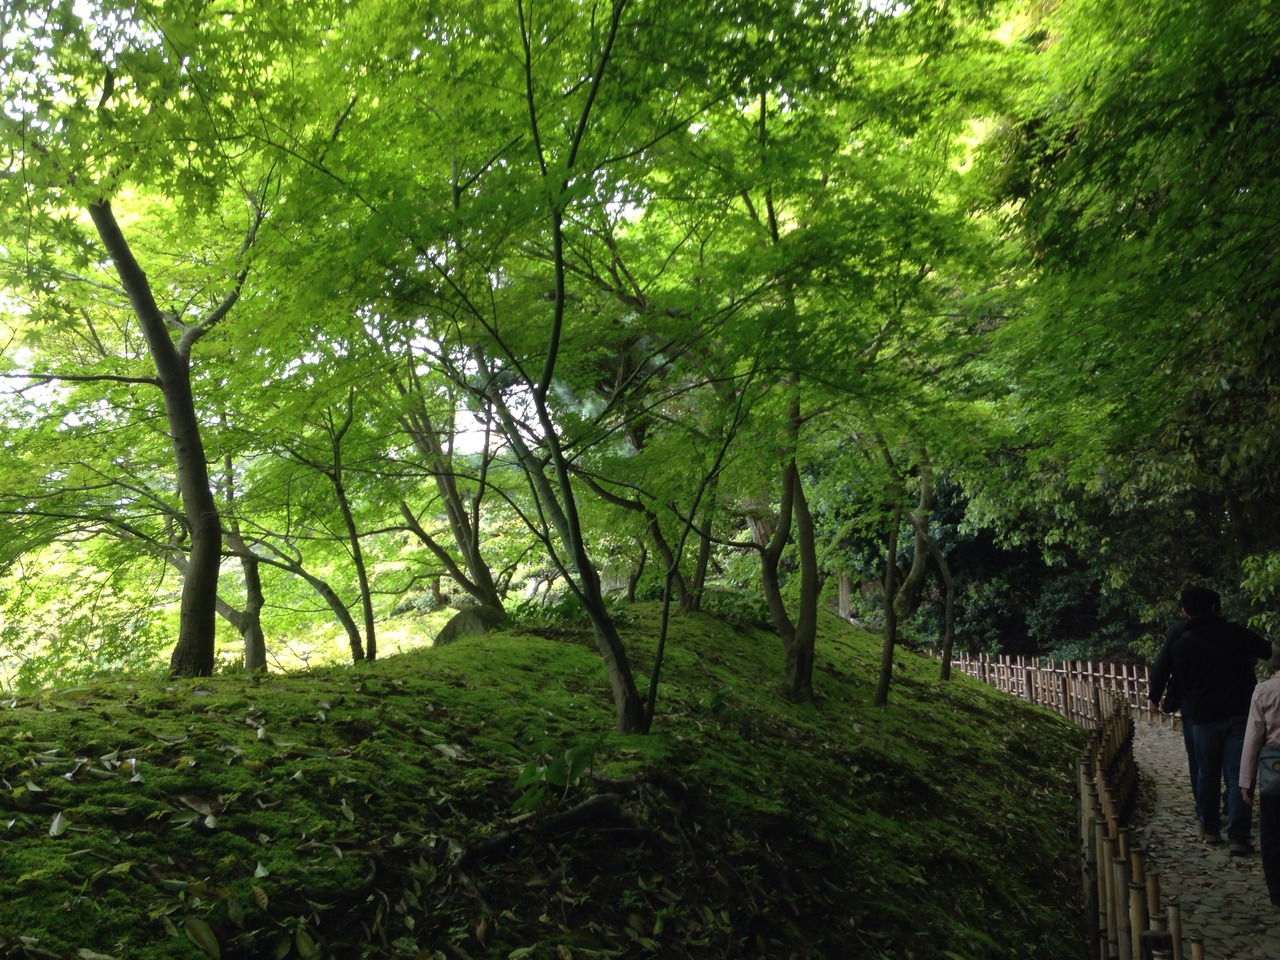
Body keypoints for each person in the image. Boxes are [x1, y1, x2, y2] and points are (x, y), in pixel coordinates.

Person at [1172, 583, 1271, 854]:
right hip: (1240, 714)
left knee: (1207, 773)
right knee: (1239, 774)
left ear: (1185, 611)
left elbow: (1182, 682)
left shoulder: (1181, 645)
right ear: (1215, 607)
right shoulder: (1235, 632)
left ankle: (1211, 828)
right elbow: (1267, 651)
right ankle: (1239, 836)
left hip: (1204, 718)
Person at [1241, 644, 1280, 906]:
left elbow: (1253, 738)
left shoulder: (1265, 690)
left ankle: (1277, 892)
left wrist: (1247, 780)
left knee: (1273, 835)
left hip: (1275, 774)